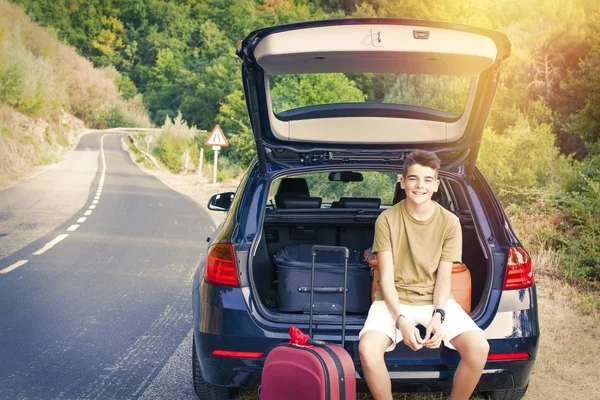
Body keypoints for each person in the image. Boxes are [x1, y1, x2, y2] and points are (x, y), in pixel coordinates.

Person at [358, 150, 489, 400]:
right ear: (403, 182)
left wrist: (439, 315)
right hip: (392, 300)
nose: (420, 186)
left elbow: (443, 278)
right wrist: (402, 321)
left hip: (436, 300)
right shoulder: (386, 219)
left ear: (437, 185)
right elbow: (385, 279)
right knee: (367, 349)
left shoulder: (449, 222)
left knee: (478, 347)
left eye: (428, 179)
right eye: (414, 179)